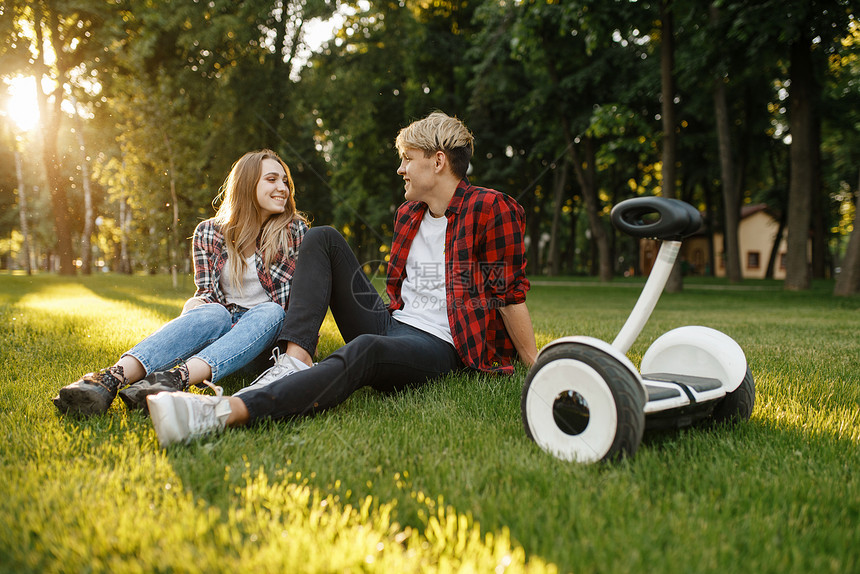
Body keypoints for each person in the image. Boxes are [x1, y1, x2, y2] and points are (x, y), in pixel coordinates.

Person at [147, 112, 538, 447]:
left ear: (438, 161)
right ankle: (295, 360)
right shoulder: (409, 215)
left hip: (441, 344)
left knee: (366, 348)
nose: (401, 168)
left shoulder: (491, 208)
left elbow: (508, 294)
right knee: (323, 237)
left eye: (408, 159)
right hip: (393, 323)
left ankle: (222, 412)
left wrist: (534, 363)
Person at [52, 149, 309, 416]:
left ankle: (175, 379)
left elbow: (296, 304)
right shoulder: (208, 232)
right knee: (212, 311)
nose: (283, 189)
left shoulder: (294, 232)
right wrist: (194, 312)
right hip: (218, 337)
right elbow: (207, 293)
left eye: (285, 182)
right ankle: (107, 380)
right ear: (247, 183)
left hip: (260, 341)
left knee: (272, 311)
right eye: (272, 179)